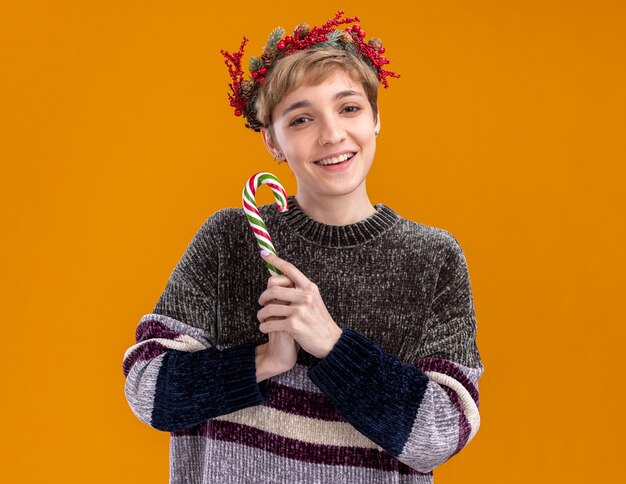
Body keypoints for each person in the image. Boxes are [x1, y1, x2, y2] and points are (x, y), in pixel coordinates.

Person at [122, 10, 484, 484]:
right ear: (272, 140)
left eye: (349, 108)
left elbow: (441, 433)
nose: (332, 134)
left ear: (376, 118)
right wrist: (264, 362)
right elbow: (149, 392)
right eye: (301, 118)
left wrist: (332, 345)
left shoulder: (432, 258)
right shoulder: (230, 239)